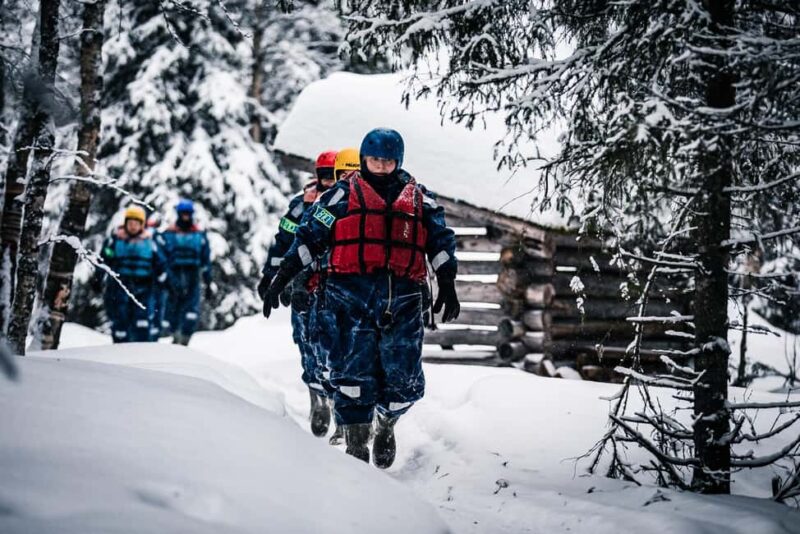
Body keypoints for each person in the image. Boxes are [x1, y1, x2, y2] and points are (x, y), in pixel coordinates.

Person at [262, 128, 460, 468]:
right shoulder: (338, 197)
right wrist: (282, 276)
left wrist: (447, 280)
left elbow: (440, 240)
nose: (380, 167)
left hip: (403, 297)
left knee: (403, 380)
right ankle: (356, 446)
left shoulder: (419, 199)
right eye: (374, 160)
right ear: (364, 160)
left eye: (387, 161)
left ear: (398, 161)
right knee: (351, 372)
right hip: (348, 296)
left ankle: (386, 423)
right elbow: (309, 237)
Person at [258, 150, 338, 437]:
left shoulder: (348, 202)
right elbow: (282, 243)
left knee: (339, 347)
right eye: (324, 175)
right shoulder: (299, 206)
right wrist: (272, 276)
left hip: (336, 285)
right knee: (307, 342)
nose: (329, 181)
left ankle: (343, 408)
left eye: (334, 174)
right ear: (316, 175)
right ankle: (317, 395)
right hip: (302, 285)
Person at [312, 147, 361, 446]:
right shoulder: (320, 205)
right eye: (338, 175)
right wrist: (293, 280)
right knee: (329, 355)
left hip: (365, 291)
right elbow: (300, 241)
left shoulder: (374, 203)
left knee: (360, 359)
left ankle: (357, 422)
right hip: (326, 289)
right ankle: (330, 406)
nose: (344, 180)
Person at [96, 205, 167, 343]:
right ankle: (120, 348)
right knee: (120, 321)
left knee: (142, 322)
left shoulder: (151, 241)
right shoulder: (115, 240)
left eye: (136, 223)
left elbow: (161, 262)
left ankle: (141, 353)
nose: (133, 226)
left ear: (142, 225)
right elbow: (104, 259)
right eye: (130, 223)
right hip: (120, 286)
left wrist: (162, 278)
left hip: (144, 287)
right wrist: (98, 278)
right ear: (125, 223)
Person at [161, 199, 213, 346]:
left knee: (191, 311)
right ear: (178, 214)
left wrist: (208, 281)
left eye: (188, 214)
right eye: (183, 213)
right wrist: (164, 277)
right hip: (173, 275)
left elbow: (205, 259)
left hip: (193, 276)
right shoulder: (168, 234)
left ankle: (184, 339)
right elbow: (161, 258)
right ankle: (173, 336)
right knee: (172, 310)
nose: (185, 216)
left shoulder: (199, 235)